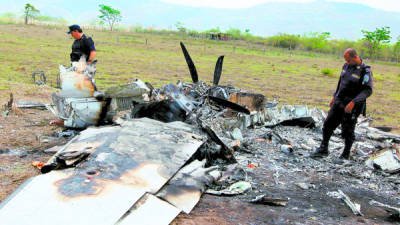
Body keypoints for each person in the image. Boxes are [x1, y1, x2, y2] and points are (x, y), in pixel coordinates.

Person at [310, 48, 373, 160]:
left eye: (348, 60)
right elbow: (341, 83)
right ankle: (323, 148)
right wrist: (334, 96)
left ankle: (346, 154)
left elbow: (367, 90)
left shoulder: (365, 71)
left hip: (352, 105)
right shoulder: (346, 66)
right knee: (328, 124)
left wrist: (354, 102)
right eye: (346, 60)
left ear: (355, 57)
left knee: (347, 130)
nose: (347, 62)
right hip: (339, 101)